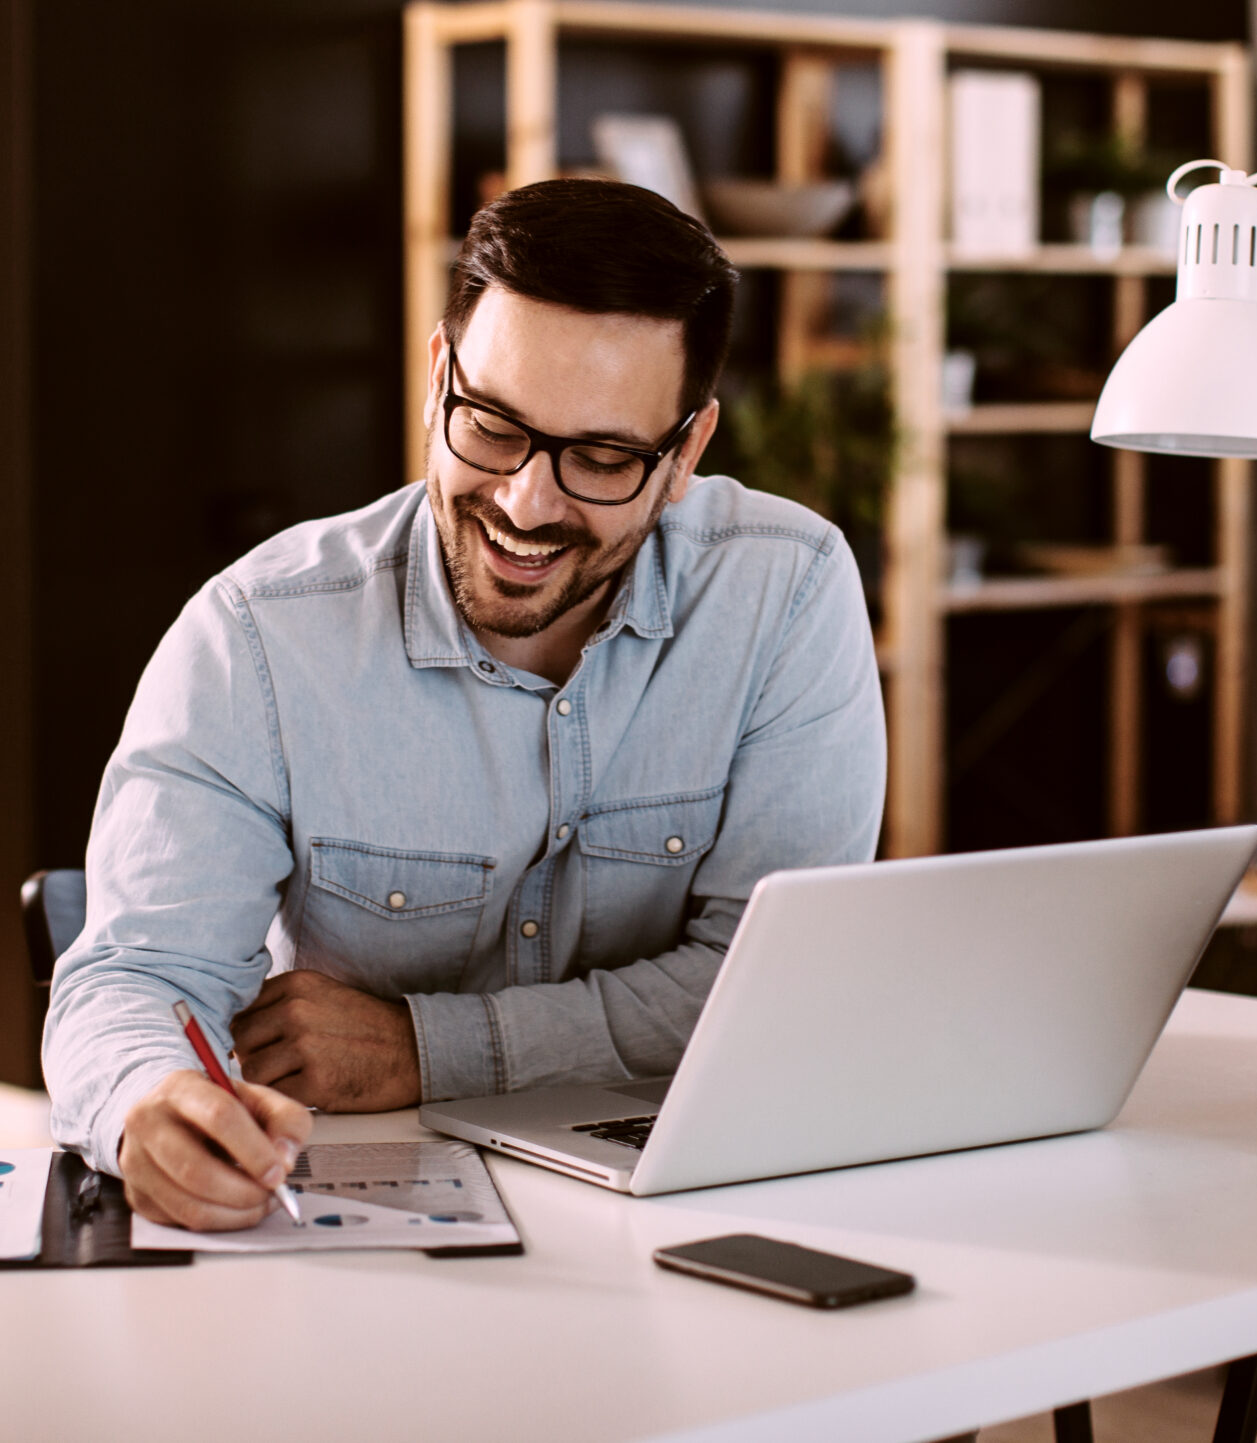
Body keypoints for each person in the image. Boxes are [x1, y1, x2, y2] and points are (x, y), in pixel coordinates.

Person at [44, 178, 888, 1230]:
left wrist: (424, 1050)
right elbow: (132, 977)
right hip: (362, 1229)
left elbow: (764, 985)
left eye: (604, 457)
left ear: (686, 453)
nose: (527, 502)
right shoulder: (258, 636)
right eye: (491, 425)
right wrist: (147, 1101)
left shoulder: (786, 590)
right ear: (438, 375)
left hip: (692, 1202)